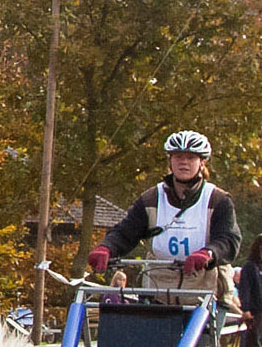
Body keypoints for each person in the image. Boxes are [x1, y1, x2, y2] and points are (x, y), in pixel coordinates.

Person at [88, 130, 240, 304]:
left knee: (198, 331)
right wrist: (106, 248)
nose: (183, 162)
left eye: (191, 158)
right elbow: (126, 232)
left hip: (202, 294)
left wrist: (209, 253)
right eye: (178, 157)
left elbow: (228, 239)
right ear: (170, 161)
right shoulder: (151, 198)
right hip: (157, 290)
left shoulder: (217, 199)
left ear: (202, 162)